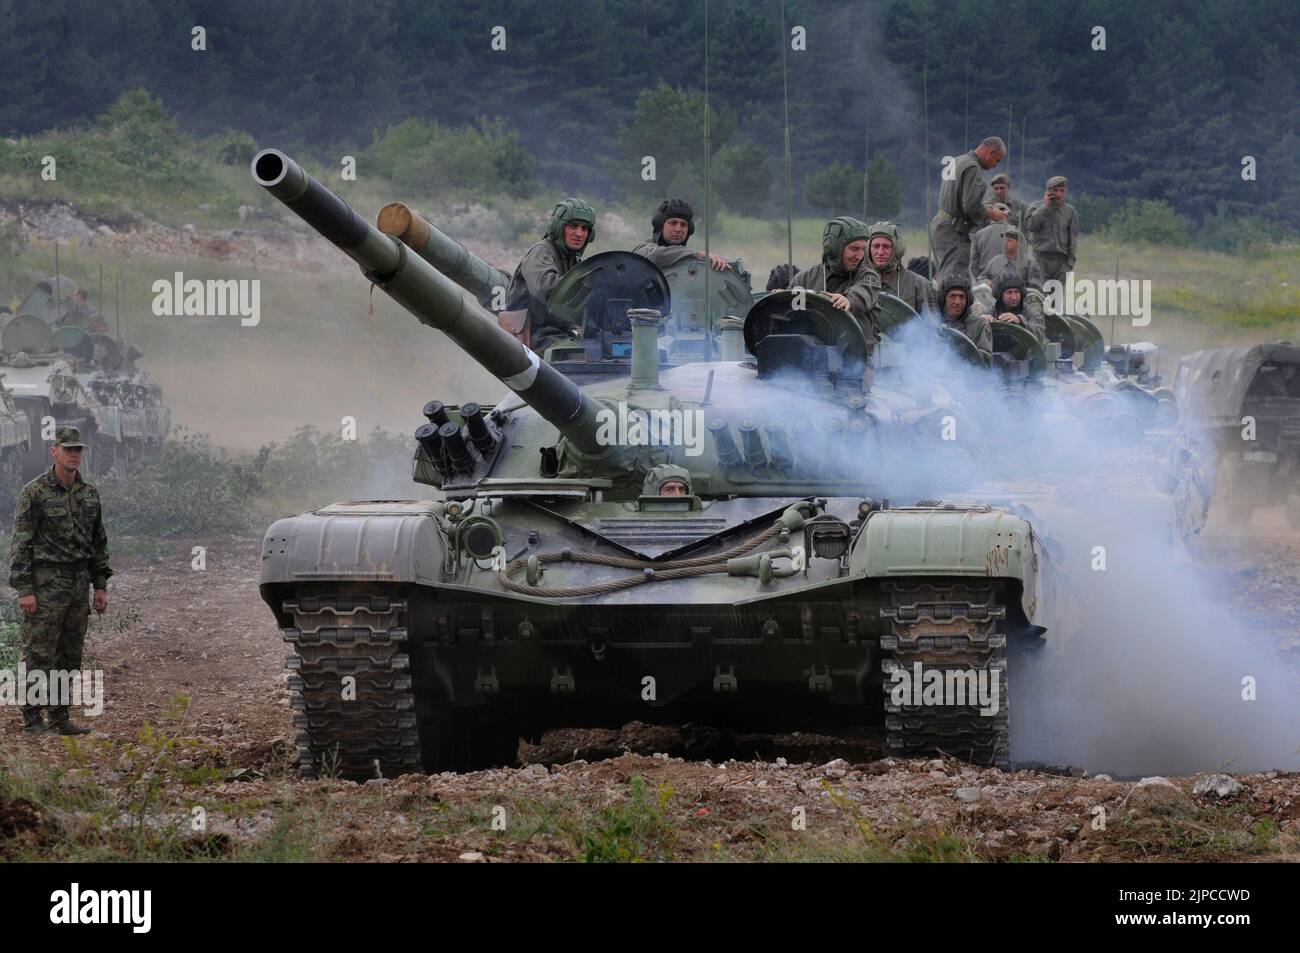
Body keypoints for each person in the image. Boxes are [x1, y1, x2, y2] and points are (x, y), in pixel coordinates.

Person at [9, 427, 111, 736]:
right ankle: (32, 719)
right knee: (39, 653)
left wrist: (100, 584)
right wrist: (25, 589)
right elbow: (20, 544)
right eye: (68, 449)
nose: (74, 454)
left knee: (69, 654)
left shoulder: (89, 493)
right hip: (46, 583)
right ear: (54, 452)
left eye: (78, 449)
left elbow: (98, 542)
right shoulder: (35, 492)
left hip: (78, 584)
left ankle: (59, 717)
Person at [502, 197, 597, 354]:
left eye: (585, 229)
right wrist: (586, 283)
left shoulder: (572, 261)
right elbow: (546, 289)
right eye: (573, 226)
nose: (579, 234)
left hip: (561, 334)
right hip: (533, 337)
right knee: (579, 359)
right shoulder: (541, 252)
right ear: (558, 228)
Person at [790, 217, 882, 350]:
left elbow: (864, 292)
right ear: (833, 249)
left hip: (856, 358)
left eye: (863, 249)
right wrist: (781, 299)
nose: (860, 255)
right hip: (810, 357)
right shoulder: (804, 279)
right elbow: (789, 317)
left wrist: (848, 300)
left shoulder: (868, 276)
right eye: (854, 248)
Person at [929, 136, 1008, 280]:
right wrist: (992, 213)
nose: (995, 165)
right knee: (954, 280)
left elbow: (958, 198)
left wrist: (986, 206)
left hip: (941, 225)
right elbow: (971, 207)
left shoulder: (958, 160)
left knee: (945, 275)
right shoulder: (973, 168)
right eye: (997, 160)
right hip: (954, 232)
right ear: (990, 152)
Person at [632, 198, 729, 272]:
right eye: (673, 223)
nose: (678, 229)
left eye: (683, 225)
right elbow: (657, 256)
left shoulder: (686, 257)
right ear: (660, 225)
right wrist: (698, 254)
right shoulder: (643, 249)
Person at [866, 221, 936, 315]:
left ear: (897, 250)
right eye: (876, 246)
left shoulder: (919, 285)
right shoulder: (858, 282)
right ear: (868, 249)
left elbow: (931, 326)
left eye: (886, 246)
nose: (880, 252)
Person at [1025, 175, 1079, 285]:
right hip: (1040, 260)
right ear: (1048, 191)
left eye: (1062, 191)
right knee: (1039, 297)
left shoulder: (1070, 211)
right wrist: (1045, 207)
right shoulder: (1036, 207)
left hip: (1061, 262)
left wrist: (1069, 264)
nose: (1059, 194)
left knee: (1056, 300)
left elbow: (1073, 240)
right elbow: (1031, 226)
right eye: (1055, 191)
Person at [973, 271, 1045, 342]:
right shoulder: (992, 311)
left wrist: (1020, 320)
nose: (1014, 297)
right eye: (1009, 292)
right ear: (1000, 294)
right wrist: (980, 322)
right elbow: (971, 335)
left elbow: (1040, 334)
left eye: (1017, 292)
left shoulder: (1029, 312)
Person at [936, 273, 992, 354]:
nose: (957, 302)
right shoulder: (932, 322)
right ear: (943, 299)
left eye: (962, 297)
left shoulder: (979, 325)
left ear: (968, 300)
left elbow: (985, 360)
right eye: (952, 296)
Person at [979, 227, 1044, 289]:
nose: (1005, 243)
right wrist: (985, 282)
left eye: (1009, 240)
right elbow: (981, 278)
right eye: (1004, 240)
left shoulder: (1030, 263)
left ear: (1018, 243)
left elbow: (1036, 288)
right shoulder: (994, 261)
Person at [969, 206, 1011, 282]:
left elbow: (974, 263)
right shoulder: (1015, 233)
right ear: (1007, 215)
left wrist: (980, 280)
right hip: (1008, 279)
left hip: (986, 280)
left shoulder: (979, 234)